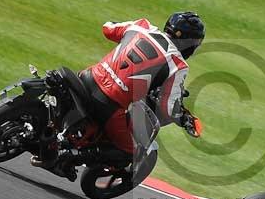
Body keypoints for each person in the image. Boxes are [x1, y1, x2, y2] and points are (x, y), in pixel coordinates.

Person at [32, 11, 205, 179]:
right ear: (189, 43)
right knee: (130, 151)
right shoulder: (178, 65)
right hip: (109, 104)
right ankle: (66, 157)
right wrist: (183, 119)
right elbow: (168, 108)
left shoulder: (141, 26)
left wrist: (124, 33)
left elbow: (107, 28)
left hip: (87, 78)